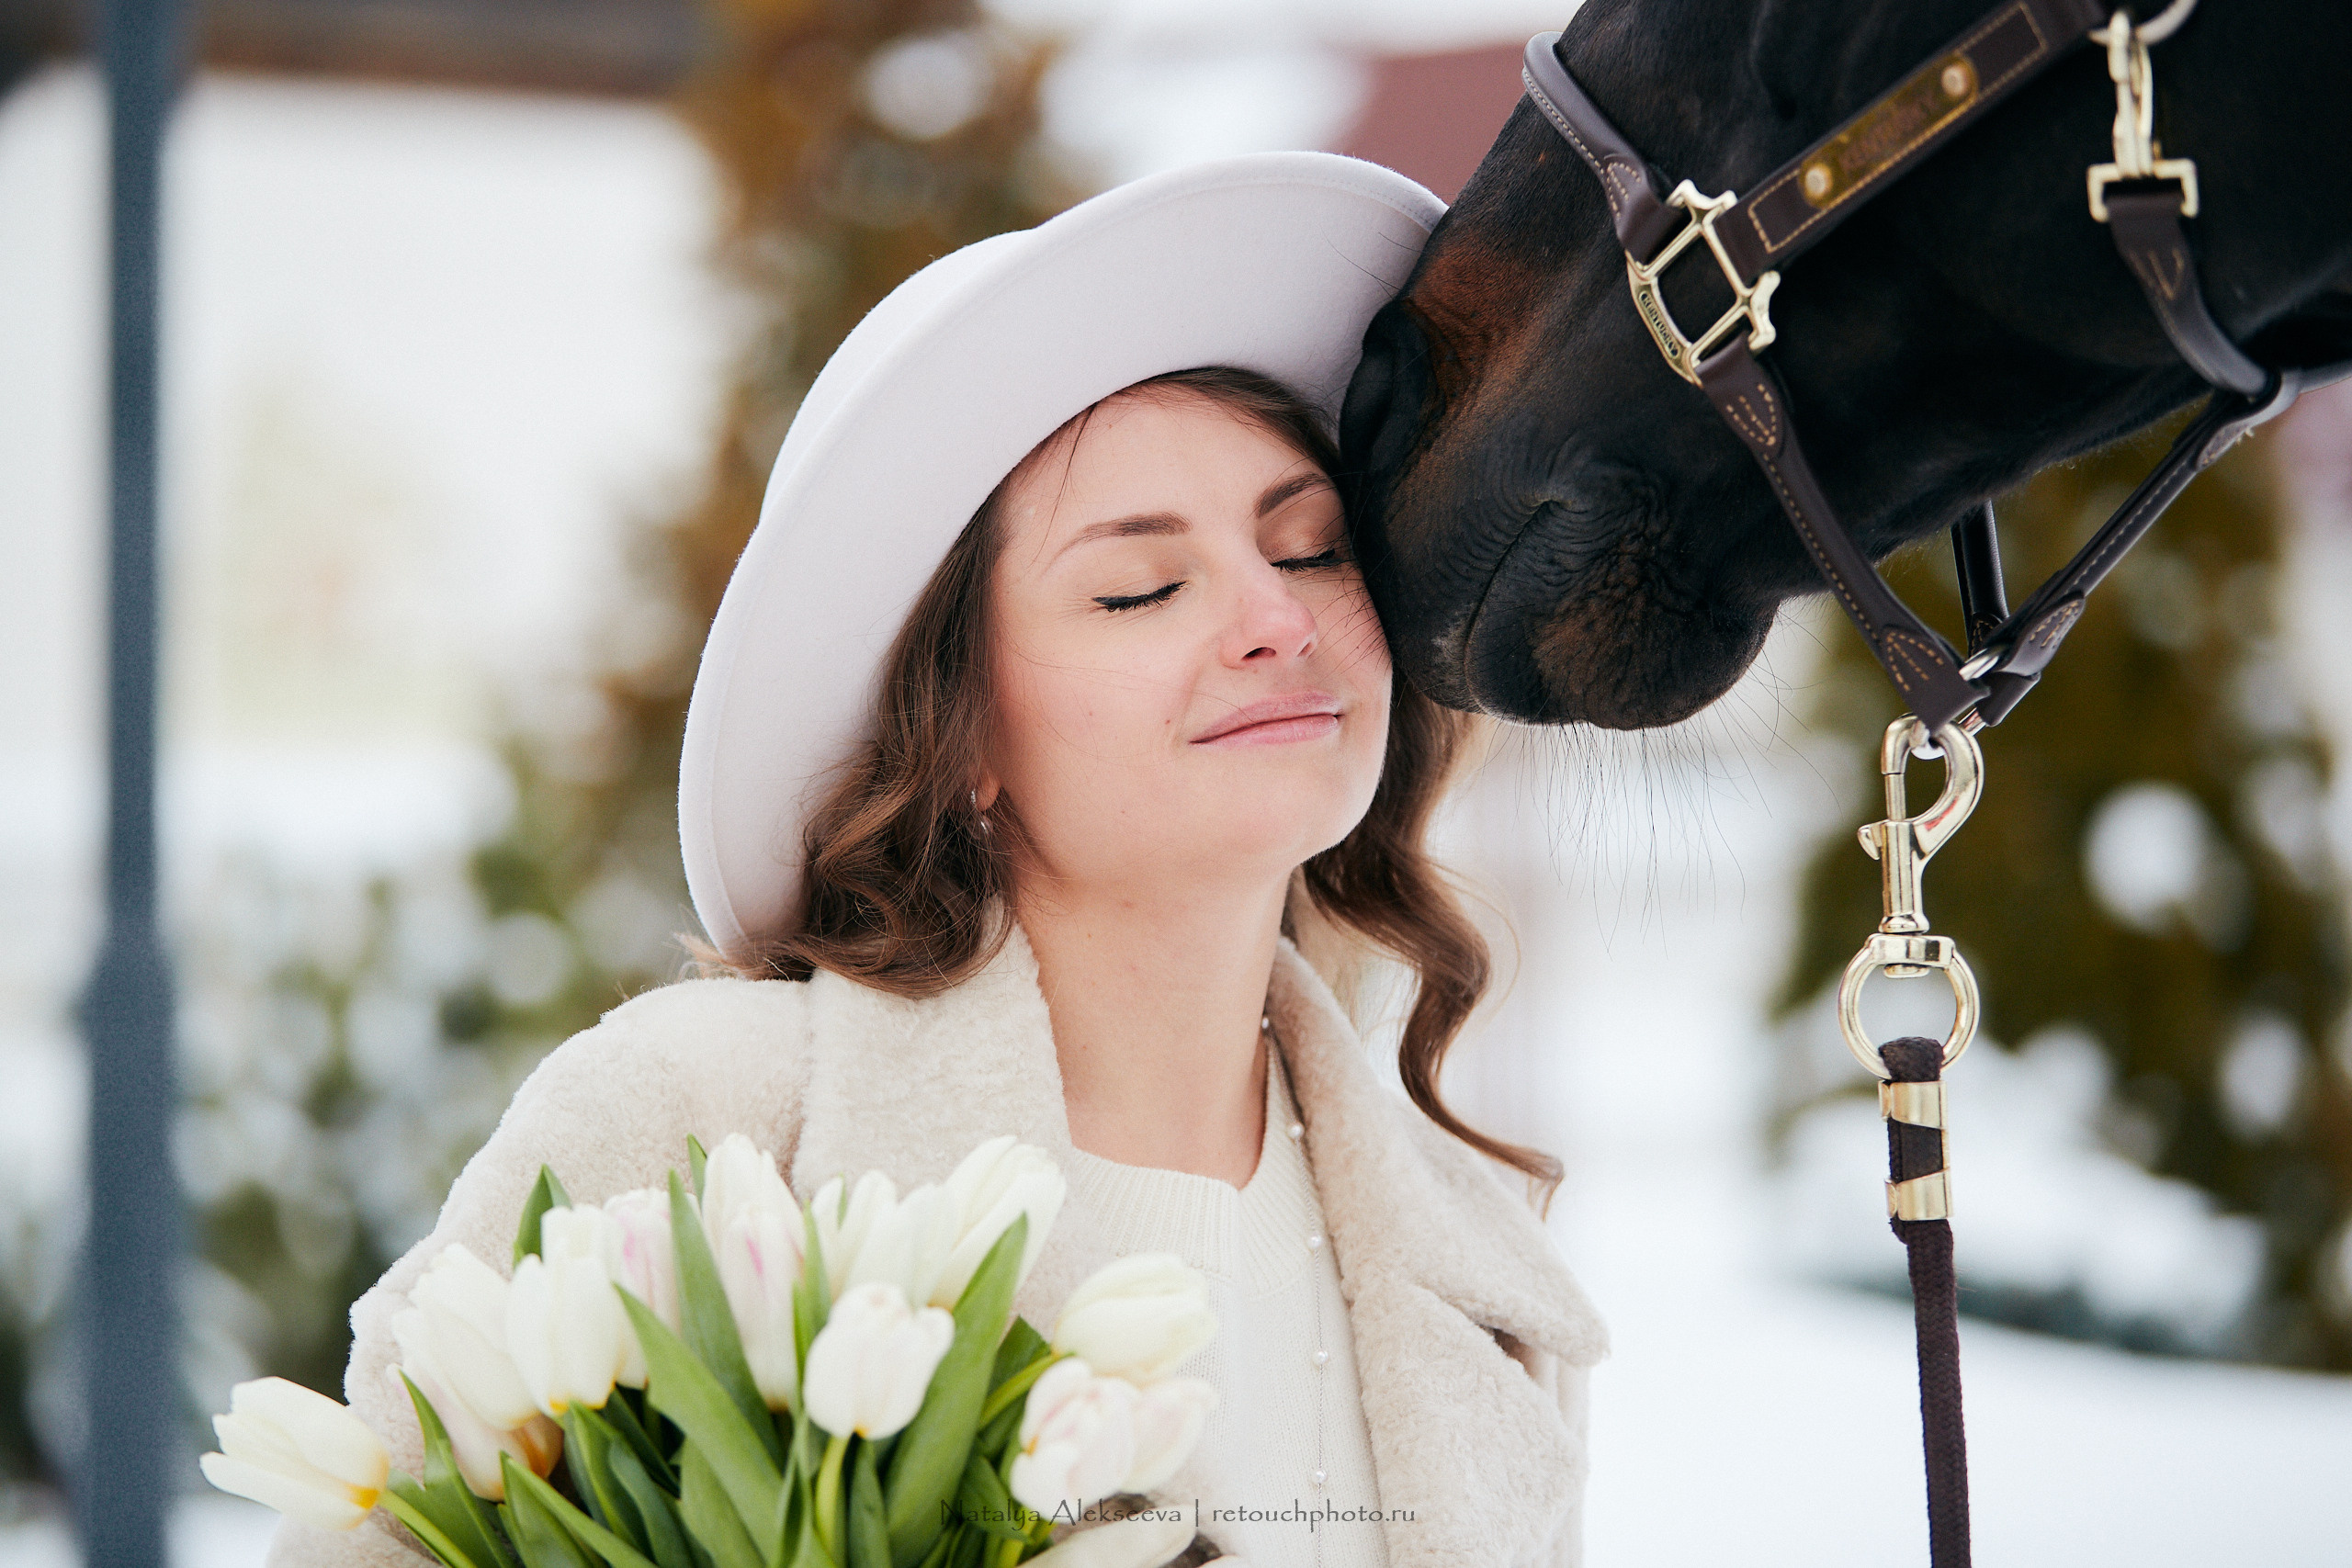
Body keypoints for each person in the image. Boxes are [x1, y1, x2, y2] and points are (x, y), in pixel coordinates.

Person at [273, 152, 1605, 1568]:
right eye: (1140, 585)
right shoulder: (707, 1126)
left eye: (1315, 548)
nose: (1279, 619)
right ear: (960, 732)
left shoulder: (1482, 1260)